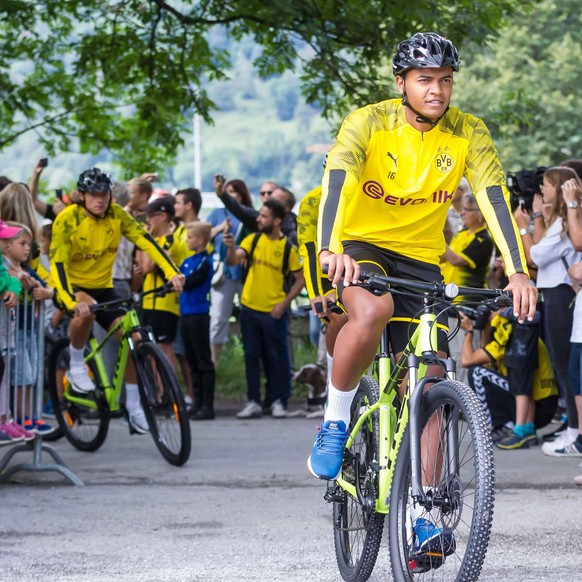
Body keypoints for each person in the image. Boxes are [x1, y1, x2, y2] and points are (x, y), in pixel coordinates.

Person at [308, 32, 537, 557]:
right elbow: (337, 183)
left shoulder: (467, 132)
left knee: (433, 382)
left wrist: (519, 272)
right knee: (372, 309)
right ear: (402, 83)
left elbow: (494, 198)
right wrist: (328, 250)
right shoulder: (369, 121)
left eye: (446, 81)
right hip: (362, 246)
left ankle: (423, 515)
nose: (437, 91)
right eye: (426, 80)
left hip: (421, 259)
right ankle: (336, 419)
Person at [49, 168, 184, 434]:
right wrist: (69, 300)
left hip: (104, 287)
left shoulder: (117, 215)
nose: (100, 200)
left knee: (133, 339)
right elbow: (59, 264)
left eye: (104, 194)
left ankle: (134, 407)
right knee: (85, 314)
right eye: (93, 195)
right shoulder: (67, 219)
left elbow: (146, 241)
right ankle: (77, 363)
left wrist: (172, 272)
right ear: (83, 196)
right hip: (71, 285)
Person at [514, 166, 582, 455]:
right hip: (553, 294)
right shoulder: (562, 220)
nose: (541, 191)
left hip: (560, 295)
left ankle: (573, 432)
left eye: (545, 185)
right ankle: (572, 430)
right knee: (563, 366)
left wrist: (525, 226)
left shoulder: (570, 220)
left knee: (567, 367)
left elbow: (536, 255)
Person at [224, 198, 304, 419]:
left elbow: (300, 278)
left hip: (273, 310)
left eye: (263, 216)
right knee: (251, 356)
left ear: (277, 220)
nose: (258, 219)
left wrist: (284, 303)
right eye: (259, 215)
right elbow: (233, 261)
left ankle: (279, 400)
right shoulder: (253, 240)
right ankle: (253, 401)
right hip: (249, 307)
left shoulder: (288, 247)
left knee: (277, 357)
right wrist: (230, 247)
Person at [460, 306, 558, 449]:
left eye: (492, 309)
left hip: (538, 408)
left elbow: (467, 361)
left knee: (477, 373)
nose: (489, 314)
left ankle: (502, 427)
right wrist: (484, 327)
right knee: (485, 372)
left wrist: (468, 331)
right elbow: (486, 358)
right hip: (542, 406)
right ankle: (516, 427)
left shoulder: (510, 332)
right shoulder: (520, 333)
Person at [441, 191, 494, 384]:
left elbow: (455, 260)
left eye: (468, 210)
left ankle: (465, 405)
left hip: (467, 305)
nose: (462, 213)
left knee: (462, 356)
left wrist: (435, 234)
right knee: (451, 356)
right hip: (450, 303)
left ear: (480, 213)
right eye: (462, 209)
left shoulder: (483, 240)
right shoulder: (463, 234)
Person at [206, 180, 253, 365]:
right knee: (218, 318)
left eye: (234, 192)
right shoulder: (217, 214)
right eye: (228, 192)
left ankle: (251, 359)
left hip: (245, 273)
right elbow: (204, 236)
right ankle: (213, 363)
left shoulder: (248, 214)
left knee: (250, 316)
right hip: (223, 272)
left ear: (242, 195)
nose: (231, 195)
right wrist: (219, 228)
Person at [179, 222, 215, 420]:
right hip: (185, 314)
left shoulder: (204, 261)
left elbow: (188, 282)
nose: (187, 240)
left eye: (190, 237)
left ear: (201, 240)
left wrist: (179, 281)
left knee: (203, 360)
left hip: (198, 314)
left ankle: (207, 406)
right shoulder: (187, 261)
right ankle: (197, 402)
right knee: (192, 360)